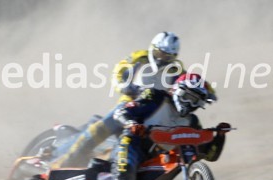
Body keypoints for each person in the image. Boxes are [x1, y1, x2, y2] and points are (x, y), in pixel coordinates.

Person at [65, 73, 223, 180]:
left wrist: (219, 136)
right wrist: (131, 123)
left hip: (154, 162)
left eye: (196, 101)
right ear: (177, 90)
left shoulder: (192, 122)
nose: (190, 104)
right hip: (131, 145)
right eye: (188, 97)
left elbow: (210, 155)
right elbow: (121, 112)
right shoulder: (155, 97)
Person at [53, 32, 184, 168]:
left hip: (155, 115)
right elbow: (118, 73)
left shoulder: (177, 70)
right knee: (101, 128)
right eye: (159, 53)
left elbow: (187, 86)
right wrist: (126, 87)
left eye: (167, 57)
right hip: (129, 105)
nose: (162, 59)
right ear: (153, 48)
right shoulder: (139, 58)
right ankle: (62, 162)